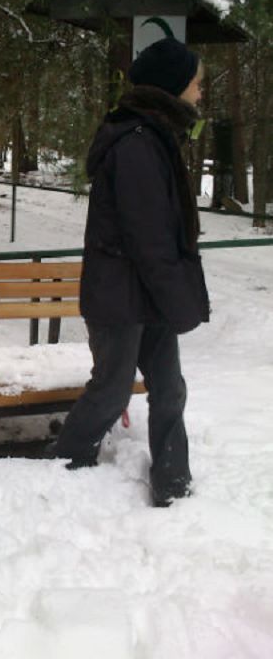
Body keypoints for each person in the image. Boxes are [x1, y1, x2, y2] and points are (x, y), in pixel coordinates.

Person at [47, 37, 210, 507]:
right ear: (172, 85)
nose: (200, 92)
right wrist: (180, 301)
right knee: (112, 390)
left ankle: (173, 482)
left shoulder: (156, 135)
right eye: (196, 83)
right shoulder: (138, 143)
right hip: (120, 295)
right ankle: (61, 468)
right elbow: (150, 236)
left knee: (169, 388)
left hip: (147, 292)